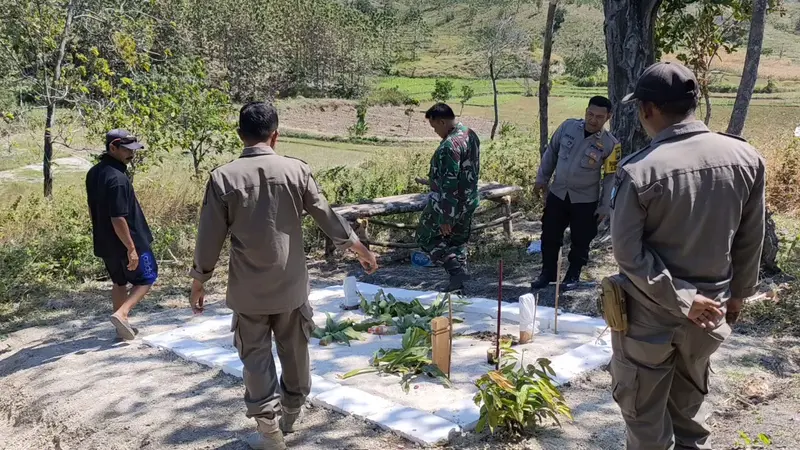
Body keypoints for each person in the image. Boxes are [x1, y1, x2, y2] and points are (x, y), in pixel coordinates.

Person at [188, 102, 378, 450]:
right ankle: (291, 413)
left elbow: (209, 235)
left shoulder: (223, 178)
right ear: (275, 135)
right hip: (291, 287)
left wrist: (199, 280)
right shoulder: (297, 171)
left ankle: (269, 433)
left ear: (240, 135)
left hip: (249, 291)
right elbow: (327, 216)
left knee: (255, 356)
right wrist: (361, 250)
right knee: (295, 349)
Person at [609, 62, 765, 450]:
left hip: (650, 318)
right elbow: (750, 239)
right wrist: (738, 296)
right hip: (710, 314)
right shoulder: (745, 157)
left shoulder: (639, 171)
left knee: (646, 423)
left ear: (647, 109)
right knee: (691, 418)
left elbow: (628, 254)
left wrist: (682, 299)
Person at [531, 96, 620, 290]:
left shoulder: (610, 144)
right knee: (550, 234)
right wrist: (541, 178)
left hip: (585, 200)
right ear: (586, 111)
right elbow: (551, 152)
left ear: (608, 117)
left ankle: (573, 275)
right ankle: (547, 273)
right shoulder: (568, 127)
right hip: (558, 193)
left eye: (599, 116)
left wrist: (605, 205)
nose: (593, 119)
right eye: (590, 114)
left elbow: (610, 177)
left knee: (581, 239)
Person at [86, 129, 157, 341]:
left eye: (133, 149)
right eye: (126, 149)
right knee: (147, 277)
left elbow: (92, 208)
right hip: (129, 239)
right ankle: (122, 313)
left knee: (118, 282)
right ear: (112, 148)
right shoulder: (117, 179)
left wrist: (98, 230)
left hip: (105, 241)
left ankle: (121, 329)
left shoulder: (94, 173)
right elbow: (118, 218)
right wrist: (131, 248)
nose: (131, 154)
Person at [415, 103, 481, 293]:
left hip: (448, 203)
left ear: (442, 121)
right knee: (457, 241)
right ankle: (459, 286)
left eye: (435, 127)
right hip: (469, 200)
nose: (435, 131)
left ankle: (455, 271)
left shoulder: (448, 146)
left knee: (426, 236)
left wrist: (446, 216)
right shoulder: (470, 134)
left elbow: (449, 184)